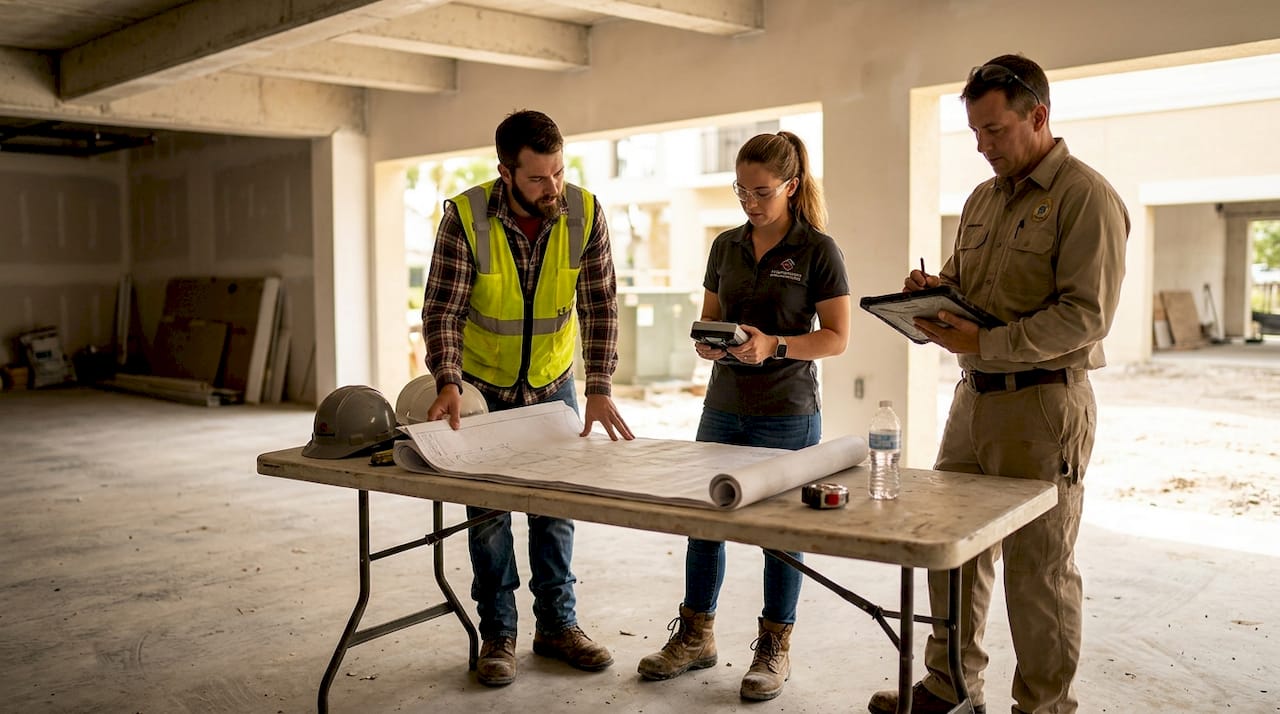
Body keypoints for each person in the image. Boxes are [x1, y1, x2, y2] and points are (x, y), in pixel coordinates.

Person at [867, 55, 1130, 714]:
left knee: (1038, 570)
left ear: (1038, 116)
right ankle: (950, 685)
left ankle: (1042, 706)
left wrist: (985, 341)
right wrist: (936, 294)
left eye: (994, 131)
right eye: (975, 134)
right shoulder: (982, 198)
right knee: (950, 547)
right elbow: (971, 286)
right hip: (971, 399)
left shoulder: (1085, 198)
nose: (982, 147)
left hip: (1044, 405)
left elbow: (1085, 318)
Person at [420, 109, 635, 687]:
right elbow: (443, 308)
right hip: (483, 389)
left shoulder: (584, 212)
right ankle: (499, 634)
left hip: (553, 382)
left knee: (554, 508)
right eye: (538, 178)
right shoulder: (466, 217)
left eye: (559, 173)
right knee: (488, 517)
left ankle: (558, 627)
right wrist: (448, 380)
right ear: (505, 172)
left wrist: (598, 387)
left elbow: (600, 304)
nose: (553, 188)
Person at [637, 131, 851, 701]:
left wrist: (775, 346)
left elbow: (836, 338)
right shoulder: (725, 246)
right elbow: (710, 316)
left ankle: (774, 648)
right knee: (704, 523)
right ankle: (695, 636)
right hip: (723, 407)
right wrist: (711, 344)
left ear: (791, 186)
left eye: (761, 192)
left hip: (787, 413)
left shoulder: (818, 251)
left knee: (779, 534)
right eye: (741, 191)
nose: (750, 204)